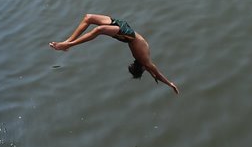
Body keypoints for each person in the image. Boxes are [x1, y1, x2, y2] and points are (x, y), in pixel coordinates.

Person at [49, 14, 179, 94]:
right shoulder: (146, 63)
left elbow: (156, 73)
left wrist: (169, 83)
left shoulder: (145, 61)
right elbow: (155, 73)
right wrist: (163, 80)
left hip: (128, 34)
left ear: (143, 67)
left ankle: (68, 45)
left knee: (98, 30)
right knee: (88, 18)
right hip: (125, 27)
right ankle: (67, 42)